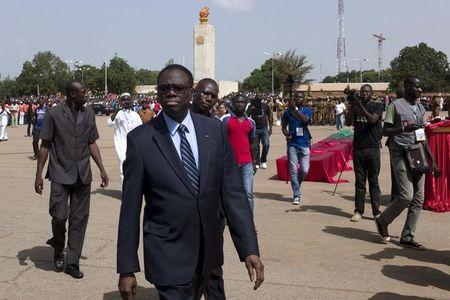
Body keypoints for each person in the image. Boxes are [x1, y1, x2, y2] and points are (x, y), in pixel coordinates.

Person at [117, 65, 264, 300]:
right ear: (158, 93)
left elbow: (233, 194)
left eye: (178, 88)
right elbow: (130, 208)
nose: (171, 92)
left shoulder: (215, 130)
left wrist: (249, 248)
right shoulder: (141, 140)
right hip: (166, 253)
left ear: (191, 92)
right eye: (165, 88)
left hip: (207, 252)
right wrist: (127, 267)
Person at [34, 80, 109, 279]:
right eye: (83, 92)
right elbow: (45, 145)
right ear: (73, 94)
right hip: (59, 172)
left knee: (79, 219)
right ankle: (58, 247)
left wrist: (102, 169)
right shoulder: (54, 113)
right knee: (59, 215)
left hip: (82, 174)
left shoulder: (89, 114)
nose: (87, 94)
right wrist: (38, 174)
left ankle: (72, 262)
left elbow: (91, 142)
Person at [375, 76, 438, 249]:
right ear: (408, 87)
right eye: (417, 87)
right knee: (406, 196)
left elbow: (422, 137)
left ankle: (407, 236)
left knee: (419, 198)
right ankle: (382, 221)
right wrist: (402, 129)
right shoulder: (394, 106)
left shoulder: (420, 108)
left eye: (420, 87)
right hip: (400, 153)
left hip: (417, 153)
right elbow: (384, 131)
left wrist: (432, 161)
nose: (420, 89)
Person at [191, 78, 226, 300]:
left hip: (213, 212)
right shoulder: (180, 123)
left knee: (213, 267)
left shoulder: (217, 127)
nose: (208, 98)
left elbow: (225, 174)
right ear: (195, 92)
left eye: (213, 96)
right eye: (205, 93)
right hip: (188, 213)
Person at [346, 85, 384, 222]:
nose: (364, 93)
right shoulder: (356, 106)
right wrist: (351, 105)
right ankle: (358, 210)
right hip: (358, 148)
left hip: (373, 147)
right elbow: (348, 122)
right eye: (362, 91)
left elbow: (373, 120)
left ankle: (376, 211)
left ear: (372, 93)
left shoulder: (377, 106)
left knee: (373, 181)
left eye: (367, 92)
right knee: (360, 182)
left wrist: (360, 106)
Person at [223, 94, 258, 215]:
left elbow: (253, 143)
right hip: (230, 163)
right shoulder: (226, 120)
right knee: (230, 192)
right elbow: (221, 141)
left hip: (246, 163)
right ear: (233, 103)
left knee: (248, 193)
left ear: (246, 104)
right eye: (237, 102)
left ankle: (249, 220)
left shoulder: (251, 122)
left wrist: (254, 162)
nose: (240, 104)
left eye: (242, 102)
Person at [282, 91, 313, 205]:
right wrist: (286, 134)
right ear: (293, 98)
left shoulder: (308, 110)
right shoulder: (287, 112)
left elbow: (305, 120)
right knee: (293, 170)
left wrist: (295, 110)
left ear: (304, 99)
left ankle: (297, 182)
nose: (298, 99)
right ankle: (296, 194)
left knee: (305, 170)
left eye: (300, 97)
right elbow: (284, 127)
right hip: (292, 145)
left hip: (304, 143)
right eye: (296, 97)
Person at [107, 92, 142, 184]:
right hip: (121, 144)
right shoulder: (118, 114)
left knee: (134, 167)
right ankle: (125, 192)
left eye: (127, 99)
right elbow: (109, 123)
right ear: (120, 102)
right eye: (123, 100)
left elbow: (140, 130)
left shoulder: (135, 115)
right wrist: (117, 110)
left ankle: (133, 189)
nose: (126, 102)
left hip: (134, 145)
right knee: (123, 165)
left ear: (130, 101)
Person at [248, 95, 273, 169]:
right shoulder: (251, 106)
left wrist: (271, 127)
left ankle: (263, 160)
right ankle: (258, 162)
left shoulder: (265, 105)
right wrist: (251, 109)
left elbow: (269, 115)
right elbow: (247, 116)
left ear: (261, 100)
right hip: (255, 128)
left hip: (264, 128)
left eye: (259, 99)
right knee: (255, 147)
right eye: (256, 99)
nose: (257, 101)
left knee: (266, 144)